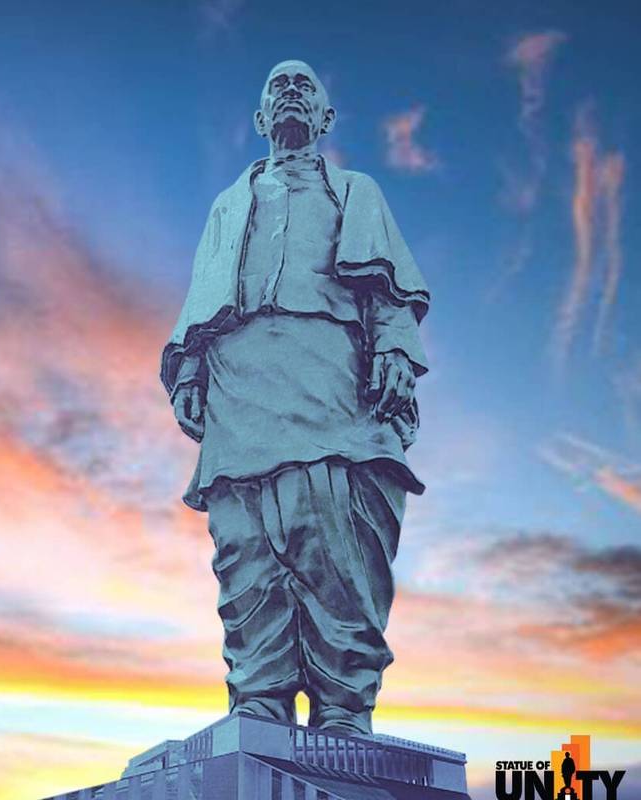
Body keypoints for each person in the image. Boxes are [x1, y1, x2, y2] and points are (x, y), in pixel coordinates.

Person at [160, 60, 431, 736]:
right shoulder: (228, 203)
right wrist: (191, 371)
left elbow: (388, 290)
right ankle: (259, 698)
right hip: (239, 379)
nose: (289, 92)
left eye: (304, 86)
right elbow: (200, 298)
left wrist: (395, 349)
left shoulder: (355, 191)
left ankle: (344, 707)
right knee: (245, 540)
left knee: (334, 532)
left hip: (333, 374)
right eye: (276, 86)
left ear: (326, 119)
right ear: (259, 120)